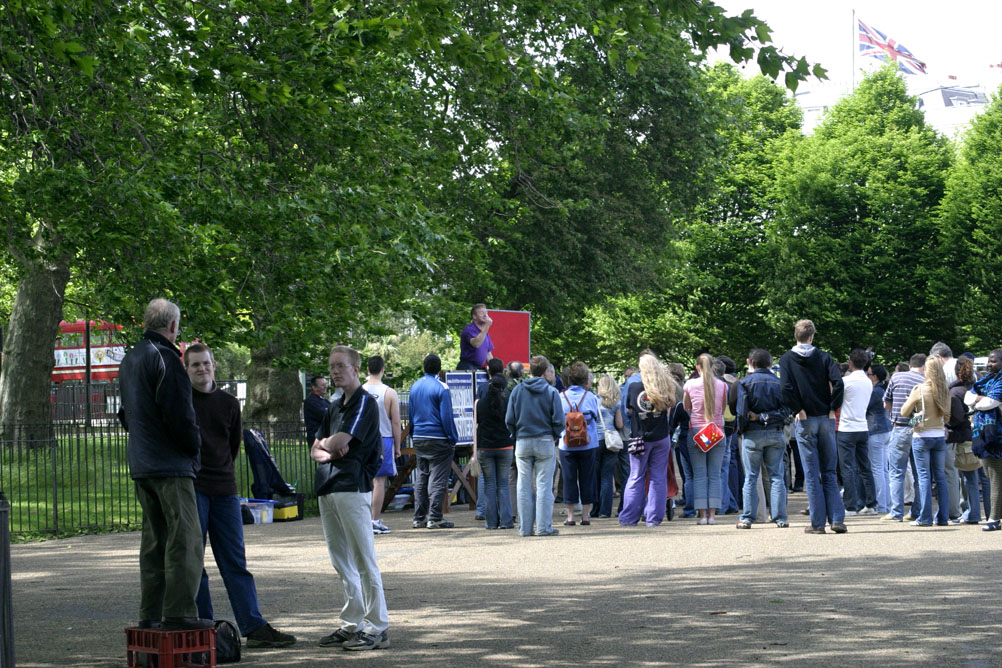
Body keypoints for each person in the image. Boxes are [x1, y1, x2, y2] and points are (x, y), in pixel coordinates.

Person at [184, 343, 296, 647]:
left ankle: (253, 625)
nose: (201, 369)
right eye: (195, 364)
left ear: (214, 365)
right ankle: (203, 628)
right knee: (195, 563)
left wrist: (221, 473)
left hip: (225, 491)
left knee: (235, 561)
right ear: (187, 369)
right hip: (193, 489)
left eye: (205, 363)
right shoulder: (182, 401)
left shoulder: (230, 403)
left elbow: (233, 446)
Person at [118, 298, 208, 630]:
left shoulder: (130, 358)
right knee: (185, 538)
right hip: (170, 464)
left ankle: (150, 614)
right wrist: (193, 450)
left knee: (154, 541)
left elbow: (126, 414)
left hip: (142, 462)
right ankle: (180, 612)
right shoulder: (166, 358)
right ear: (173, 326)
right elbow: (179, 415)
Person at [312, 345, 390, 650]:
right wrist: (329, 448)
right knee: (340, 561)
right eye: (332, 367)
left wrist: (329, 444)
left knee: (363, 559)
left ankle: (377, 627)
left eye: (340, 366)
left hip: (351, 487)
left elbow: (339, 441)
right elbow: (314, 449)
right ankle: (351, 623)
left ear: (355, 369)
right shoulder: (334, 406)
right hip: (328, 488)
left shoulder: (363, 403)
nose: (334, 372)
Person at [779, 319, 847, 534]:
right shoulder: (824, 357)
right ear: (812, 336)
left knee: (811, 472)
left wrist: (798, 409)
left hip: (805, 418)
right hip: (825, 417)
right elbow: (838, 383)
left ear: (795, 335)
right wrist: (832, 407)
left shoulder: (787, 359)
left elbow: (786, 388)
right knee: (829, 471)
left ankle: (817, 523)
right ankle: (837, 518)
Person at [505, 355, 565, 537]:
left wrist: (516, 435)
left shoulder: (517, 391)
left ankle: (524, 528)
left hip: (522, 441)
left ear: (529, 370)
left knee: (523, 485)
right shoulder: (551, 392)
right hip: (545, 441)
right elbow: (559, 420)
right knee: (544, 486)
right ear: (545, 371)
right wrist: (553, 435)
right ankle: (543, 527)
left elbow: (509, 419)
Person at [620, 354, 683, 527]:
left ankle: (629, 518)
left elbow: (628, 411)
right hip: (661, 436)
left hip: (639, 437)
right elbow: (670, 410)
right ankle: (654, 517)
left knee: (636, 476)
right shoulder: (666, 387)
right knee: (658, 477)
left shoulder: (633, 387)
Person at [734, 349, 790, 529]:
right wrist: (766, 417)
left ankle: (748, 517)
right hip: (775, 432)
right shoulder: (779, 383)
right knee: (776, 476)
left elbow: (741, 412)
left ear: (751, 363)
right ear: (769, 363)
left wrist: (745, 428)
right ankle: (779, 516)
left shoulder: (744, 383)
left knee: (750, 476)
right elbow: (786, 411)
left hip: (752, 434)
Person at [408, 354, 459, 529]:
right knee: (437, 478)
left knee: (422, 477)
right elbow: (446, 416)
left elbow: (411, 414)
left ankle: (419, 516)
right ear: (439, 368)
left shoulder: (414, 387)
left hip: (419, 437)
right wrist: (452, 438)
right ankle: (435, 516)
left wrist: (414, 434)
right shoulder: (442, 387)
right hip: (438, 438)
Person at [901, 357, 951, 527]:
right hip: (939, 436)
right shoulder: (945, 391)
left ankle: (925, 517)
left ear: (926, 370)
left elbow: (904, 411)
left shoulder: (920, 389)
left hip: (922, 436)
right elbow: (947, 415)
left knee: (924, 478)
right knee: (941, 477)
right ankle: (943, 517)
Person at [683, 353, 729, 525]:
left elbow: (687, 406)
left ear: (697, 367)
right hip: (716, 431)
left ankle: (702, 515)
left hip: (697, 432)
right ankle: (712, 515)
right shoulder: (722, 386)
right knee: (715, 474)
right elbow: (723, 407)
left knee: (700, 475)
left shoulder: (690, 384)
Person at [882, 354, 927, 522]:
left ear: (910, 365)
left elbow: (886, 403)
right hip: (918, 430)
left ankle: (896, 512)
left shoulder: (897, 377)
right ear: (923, 367)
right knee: (919, 474)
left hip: (899, 429)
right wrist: (913, 422)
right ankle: (917, 511)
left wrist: (898, 417)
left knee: (896, 472)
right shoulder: (925, 382)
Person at [361, 356, 402, 535]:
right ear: (383, 369)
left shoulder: (359, 390)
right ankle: (374, 519)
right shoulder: (389, 392)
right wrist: (398, 445)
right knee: (379, 482)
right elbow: (395, 422)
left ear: (367, 369)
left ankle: (362, 519)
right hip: (383, 438)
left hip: (362, 439)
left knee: (363, 480)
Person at [557, 362, 601, 526]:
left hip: (566, 444)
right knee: (587, 478)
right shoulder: (591, 397)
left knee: (569, 478)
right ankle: (586, 516)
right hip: (588, 444)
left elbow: (557, 419)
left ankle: (570, 516)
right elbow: (594, 418)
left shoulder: (561, 397)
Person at [836, 349, 878, 516]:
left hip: (846, 428)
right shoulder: (868, 382)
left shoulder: (846, 381)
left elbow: (837, 401)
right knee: (865, 466)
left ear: (850, 362)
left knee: (847, 468)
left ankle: (850, 505)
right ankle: (871, 503)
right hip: (862, 427)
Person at [474, 373, 515, 529]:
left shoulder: (480, 404)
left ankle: (491, 522)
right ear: (503, 388)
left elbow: (477, 423)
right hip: (505, 447)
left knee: (490, 485)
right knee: (503, 484)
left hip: (485, 447)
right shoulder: (507, 402)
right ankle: (506, 521)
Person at [967, 348, 1002, 531]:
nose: (989, 364)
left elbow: (990, 403)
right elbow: (968, 398)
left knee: (994, 477)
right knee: (989, 475)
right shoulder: (984, 381)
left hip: (996, 436)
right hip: (983, 435)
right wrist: (979, 399)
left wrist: (977, 400)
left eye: (994, 361)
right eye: (989, 361)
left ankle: (994, 518)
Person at [948, 356, 983, 524]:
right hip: (982, 435)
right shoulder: (979, 389)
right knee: (983, 479)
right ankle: (990, 513)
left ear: (956, 372)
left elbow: (956, 419)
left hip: (965, 438)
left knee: (969, 479)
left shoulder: (954, 392)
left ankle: (972, 513)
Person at [591, 374, 624, 519]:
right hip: (611, 441)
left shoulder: (594, 400)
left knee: (595, 476)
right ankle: (605, 511)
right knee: (607, 476)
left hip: (596, 440)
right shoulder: (616, 403)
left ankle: (595, 509)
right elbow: (620, 425)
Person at [865, 365, 892, 514]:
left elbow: (863, 407)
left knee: (877, 469)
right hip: (885, 430)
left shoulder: (875, 392)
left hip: (875, 431)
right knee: (883, 469)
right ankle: (885, 503)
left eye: (869, 374)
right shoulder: (882, 390)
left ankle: (881, 505)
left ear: (874, 376)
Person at [458, 303, 494, 371]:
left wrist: (495, 369)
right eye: (481, 313)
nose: (485, 315)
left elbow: (488, 354)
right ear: (474, 316)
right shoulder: (468, 329)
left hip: (478, 368)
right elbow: (476, 344)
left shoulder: (485, 333)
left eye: (486, 313)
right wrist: (486, 326)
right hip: (467, 366)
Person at [304, 375, 331, 447]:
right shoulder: (311, 401)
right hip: (317, 440)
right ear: (314, 387)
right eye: (322, 385)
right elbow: (326, 416)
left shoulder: (325, 401)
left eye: (326, 384)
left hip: (326, 438)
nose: (325, 386)